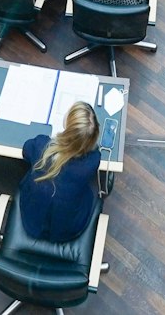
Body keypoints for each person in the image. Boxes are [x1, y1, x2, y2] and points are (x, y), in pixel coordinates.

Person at [17, 102, 102, 242]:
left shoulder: (41, 146)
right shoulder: (93, 160)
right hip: (68, 229)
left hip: (32, 222)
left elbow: (26, 150)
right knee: (89, 188)